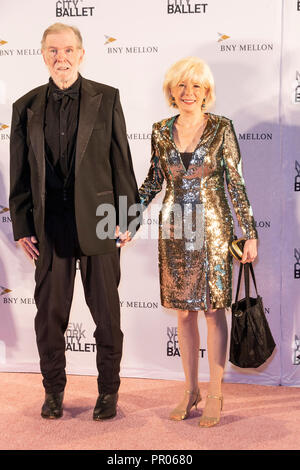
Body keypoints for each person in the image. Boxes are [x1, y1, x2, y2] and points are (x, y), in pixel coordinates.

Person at [9, 23, 140, 420]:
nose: (60, 57)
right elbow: (18, 176)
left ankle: (109, 393)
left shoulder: (107, 97)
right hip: (50, 226)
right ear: (43, 54)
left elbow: (122, 162)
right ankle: (53, 393)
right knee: (49, 317)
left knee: (107, 315)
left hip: (101, 220)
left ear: (81, 54)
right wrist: (21, 227)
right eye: (53, 50)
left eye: (68, 50)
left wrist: (129, 218)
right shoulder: (24, 106)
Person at [138, 57, 258, 427]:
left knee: (212, 310)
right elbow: (153, 181)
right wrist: (128, 216)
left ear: (207, 93)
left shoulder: (222, 128)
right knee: (184, 312)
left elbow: (235, 182)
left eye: (197, 87)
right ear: (171, 92)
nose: (189, 93)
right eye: (182, 86)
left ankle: (216, 392)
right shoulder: (160, 130)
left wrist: (249, 231)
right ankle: (191, 390)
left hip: (213, 227)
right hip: (175, 230)